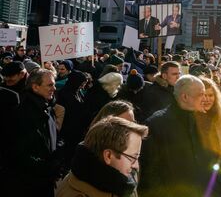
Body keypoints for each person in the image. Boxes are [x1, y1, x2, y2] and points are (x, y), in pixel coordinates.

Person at [140, 75, 214, 197]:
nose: (205, 98)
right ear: (185, 97)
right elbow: (150, 172)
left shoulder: (202, 120)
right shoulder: (156, 124)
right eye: (201, 94)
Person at [56, 116, 149, 197]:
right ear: (108, 156)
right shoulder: (75, 194)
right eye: (133, 158)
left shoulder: (124, 183)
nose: (136, 165)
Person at [7, 69, 60, 197]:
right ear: (35, 87)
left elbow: (54, 136)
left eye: (54, 84)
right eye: (50, 85)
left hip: (46, 179)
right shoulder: (23, 113)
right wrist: (45, 168)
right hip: (31, 184)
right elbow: (19, 151)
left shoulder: (47, 108)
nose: (54, 88)